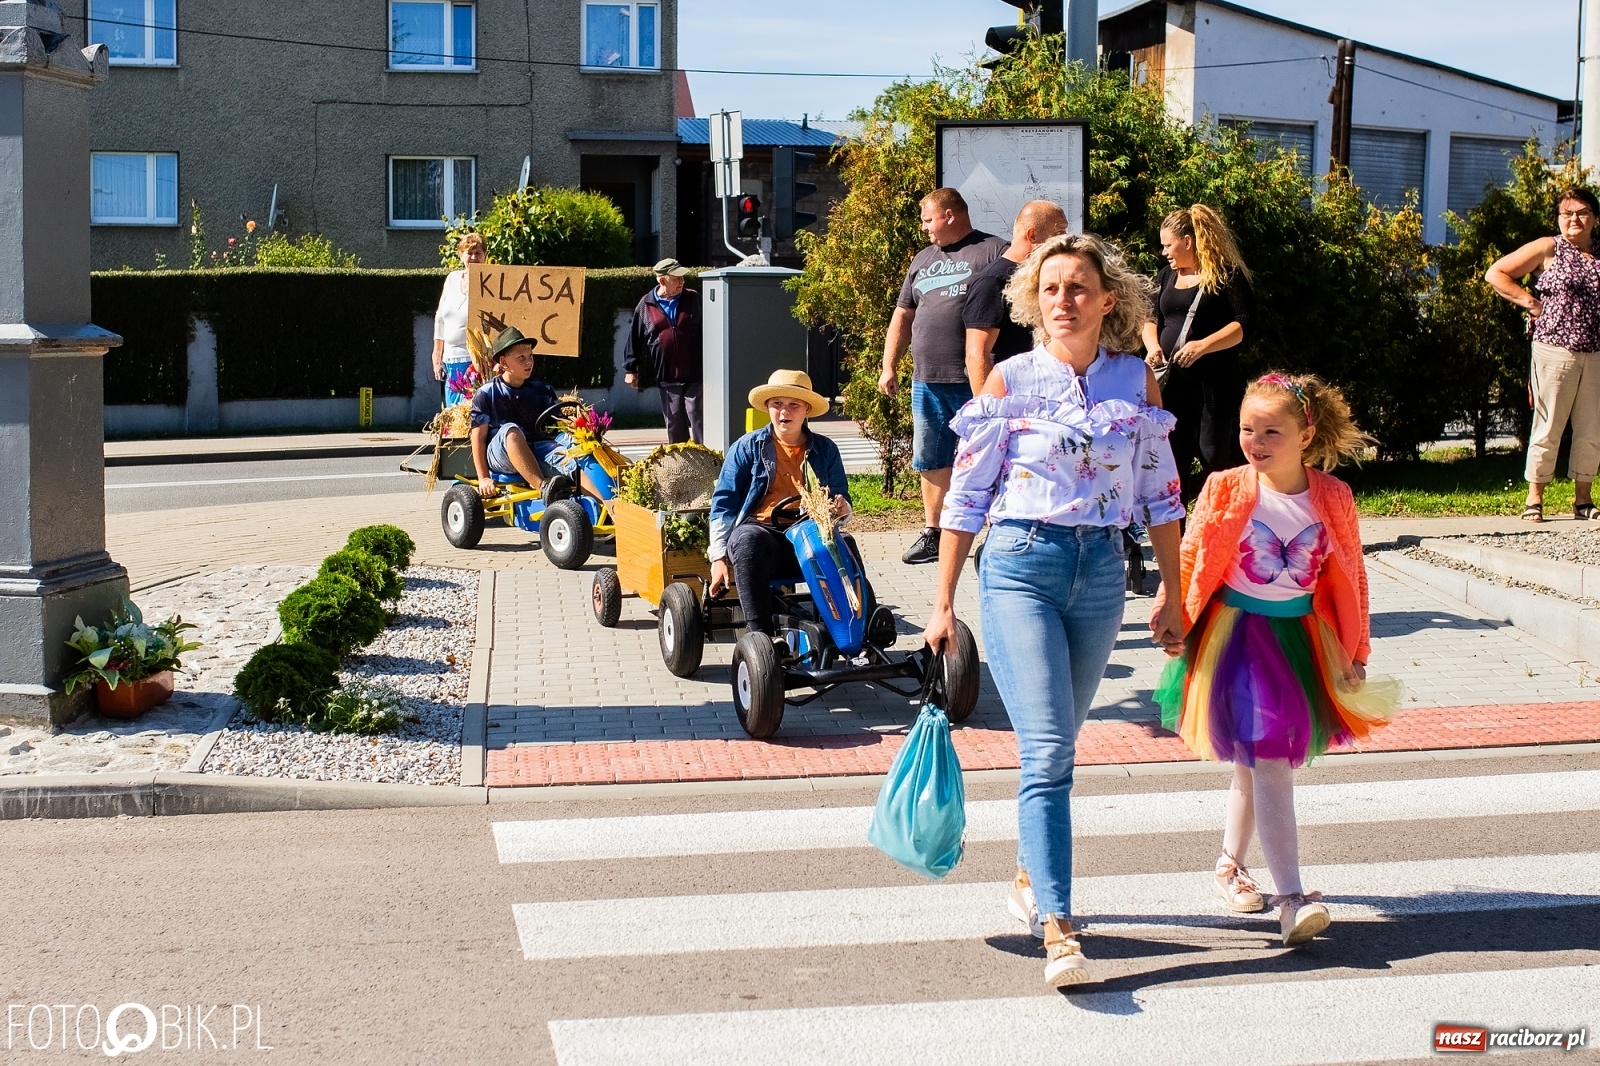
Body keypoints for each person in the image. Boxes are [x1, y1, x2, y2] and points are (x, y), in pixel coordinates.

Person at [923, 233, 1187, 987]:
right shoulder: (1007, 382)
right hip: (1018, 568)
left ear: (1109, 302)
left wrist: (1171, 588)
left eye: (1079, 288)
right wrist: (941, 602)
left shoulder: (1137, 383)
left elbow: (1162, 494)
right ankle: (1060, 925)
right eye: (1051, 289)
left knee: (1060, 743)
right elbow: (967, 498)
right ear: (1032, 303)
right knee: (1047, 752)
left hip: (1101, 572)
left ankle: (1029, 875)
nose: (1065, 301)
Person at [1152, 373, 1399, 947]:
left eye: (1272, 431)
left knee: (1256, 763)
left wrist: (1356, 649)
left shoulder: (1332, 496)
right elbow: (1191, 555)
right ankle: (1290, 898)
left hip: (1300, 641)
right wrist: (1172, 614)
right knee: (1267, 763)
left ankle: (1228, 866)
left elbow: (1353, 575)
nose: (1255, 441)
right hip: (1234, 638)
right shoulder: (1226, 486)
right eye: (1247, 429)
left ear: (1306, 434)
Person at [880, 188, 1007, 565]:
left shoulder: (993, 250)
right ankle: (932, 532)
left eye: (928, 219)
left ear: (950, 215)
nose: (924, 229)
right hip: (927, 379)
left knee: (990, 456)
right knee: (931, 458)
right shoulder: (923, 259)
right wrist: (889, 364)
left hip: (978, 378)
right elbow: (902, 316)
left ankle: (997, 533)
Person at [709, 370, 851, 642]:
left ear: (806, 410)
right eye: (777, 404)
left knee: (848, 545)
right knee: (748, 539)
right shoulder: (747, 448)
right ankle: (761, 636)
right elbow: (723, 503)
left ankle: (859, 627)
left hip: (809, 537)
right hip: (764, 538)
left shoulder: (826, 449)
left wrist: (841, 509)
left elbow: (841, 500)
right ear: (768, 408)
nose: (784, 412)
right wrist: (718, 558)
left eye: (793, 405)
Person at [1485, 186, 1600, 522]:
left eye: (1581, 213)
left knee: (1591, 429)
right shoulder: (1548, 248)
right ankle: (1534, 498)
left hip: (1595, 354)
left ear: (1594, 218)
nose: (1574, 219)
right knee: (1549, 425)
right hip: (1554, 350)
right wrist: (1531, 303)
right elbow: (1497, 273)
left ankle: (1583, 500)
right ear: (1558, 219)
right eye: (1567, 214)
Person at [1141, 205, 1254, 501]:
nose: (1164, 251)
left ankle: (1225, 518)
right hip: (1172, 382)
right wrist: (1153, 347)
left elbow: (1243, 325)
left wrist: (1204, 346)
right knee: (1173, 457)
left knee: (1213, 454)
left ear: (1188, 241)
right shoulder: (1166, 275)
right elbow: (1150, 320)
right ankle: (1176, 537)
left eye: (1168, 244)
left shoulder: (1227, 275)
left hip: (1212, 383)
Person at [962, 200, 1069, 396]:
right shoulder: (992, 282)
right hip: (1011, 396)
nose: (1064, 240)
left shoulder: (1039, 275)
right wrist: (989, 410)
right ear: (1032, 235)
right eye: (1059, 233)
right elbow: (976, 355)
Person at [469, 327, 572, 501]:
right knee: (512, 430)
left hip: (537, 449)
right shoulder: (487, 393)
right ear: (503, 362)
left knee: (574, 453)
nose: (528, 362)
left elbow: (559, 427)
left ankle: (608, 508)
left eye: (530, 356)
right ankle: (543, 488)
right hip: (501, 454)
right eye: (521, 358)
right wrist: (484, 478)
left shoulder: (542, 389)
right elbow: (478, 438)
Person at [624, 257, 704, 445]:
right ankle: (681, 468)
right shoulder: (646, 305)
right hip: (666, 376)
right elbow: (634, 338)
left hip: (695, 374)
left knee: (698, 418)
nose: (682, 281)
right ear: (662, 280)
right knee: (675, 425)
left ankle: (709, 463)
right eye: (676, 278)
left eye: (682, 277)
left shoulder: (693, 298)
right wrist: (631, 369)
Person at [434, 233, 487, 406]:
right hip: (451, 361)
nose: (473, 257)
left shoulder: (490, 282)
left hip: (477, 362)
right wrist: (437, 353)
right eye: (469, 253)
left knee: (471, 412)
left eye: (478, 253)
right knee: (452, 413)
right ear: (461, 255)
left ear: (485, 256)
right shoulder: (452, 279)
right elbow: (440, 317)